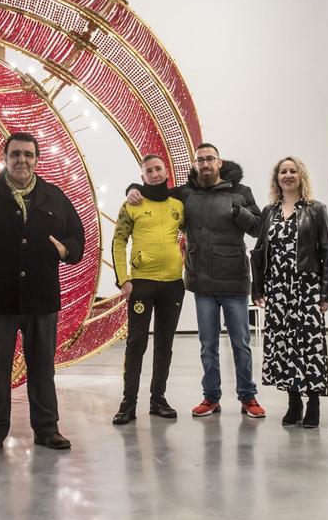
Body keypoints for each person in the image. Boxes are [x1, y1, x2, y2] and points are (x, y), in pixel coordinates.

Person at [0, 132, 85, 456]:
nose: (22, 160)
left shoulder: (54, 197)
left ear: (37, 159)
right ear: (5, 157)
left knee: (42, 367)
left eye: (28, 155)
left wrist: (67, 250)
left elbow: (77, 237)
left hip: (41, 299)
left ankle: (47, 429)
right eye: (16, 154)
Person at [129, 143, 264, 418]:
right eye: (199, 160)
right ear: (194, 164)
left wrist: (239, 212)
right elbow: (156, 193)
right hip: (202, 281)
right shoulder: (185, 193)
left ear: (219, 162)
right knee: (208, 344)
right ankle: (211, 397)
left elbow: (259, 228)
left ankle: (248, 397)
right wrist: (132, 188)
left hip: (235, 280)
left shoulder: (240, 191)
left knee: (240, 342)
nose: (204, 164)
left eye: (209, 159)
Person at [250, 157, 328, 428]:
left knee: (309, 347)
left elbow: (327, 254)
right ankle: (294, 401)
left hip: (306, 288)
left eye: (292, 170)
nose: (287, 175)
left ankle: (314, 403)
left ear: (301, 176)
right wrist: (258, 288)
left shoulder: (315, 209)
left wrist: (326, 293)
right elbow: (261, 252)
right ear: (277, 178)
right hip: (277, 289)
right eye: (283, 171)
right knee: (284, 346)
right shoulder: (269, 211)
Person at [110, 154, 185, 425]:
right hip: (141, 283)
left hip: (174, 285)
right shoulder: (132, 204)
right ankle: (128, 403)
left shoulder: (179, 205)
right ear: (142, 177)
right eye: (148, 171)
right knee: (136, 343)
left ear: (166, 173)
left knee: (165, 344)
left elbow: (193, 233)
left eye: (157, 169)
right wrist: (123, 279)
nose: (154, 174)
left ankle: (158, 399)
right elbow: (118, 242)